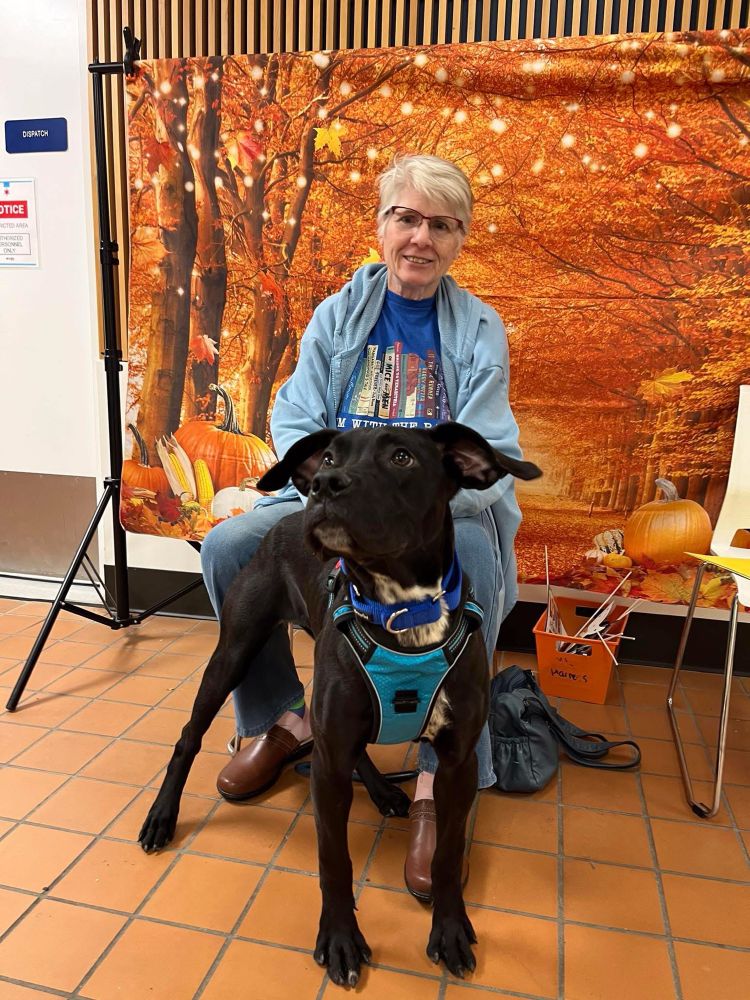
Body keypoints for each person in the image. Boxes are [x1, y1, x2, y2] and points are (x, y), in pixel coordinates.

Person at [201, 153, 525, 900]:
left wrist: (414, 514)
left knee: (474, 572)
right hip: (335, 502)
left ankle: (433, 783)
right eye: (406, 218)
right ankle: (285, 720)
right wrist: (328, 501)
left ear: (460, 240)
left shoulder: (479, 330)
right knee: (228, 547)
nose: (421, 238)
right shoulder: (339, 315)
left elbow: (486, 444)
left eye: (441, 225)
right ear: (381, 226)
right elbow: (294, 416)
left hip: (438, 514)